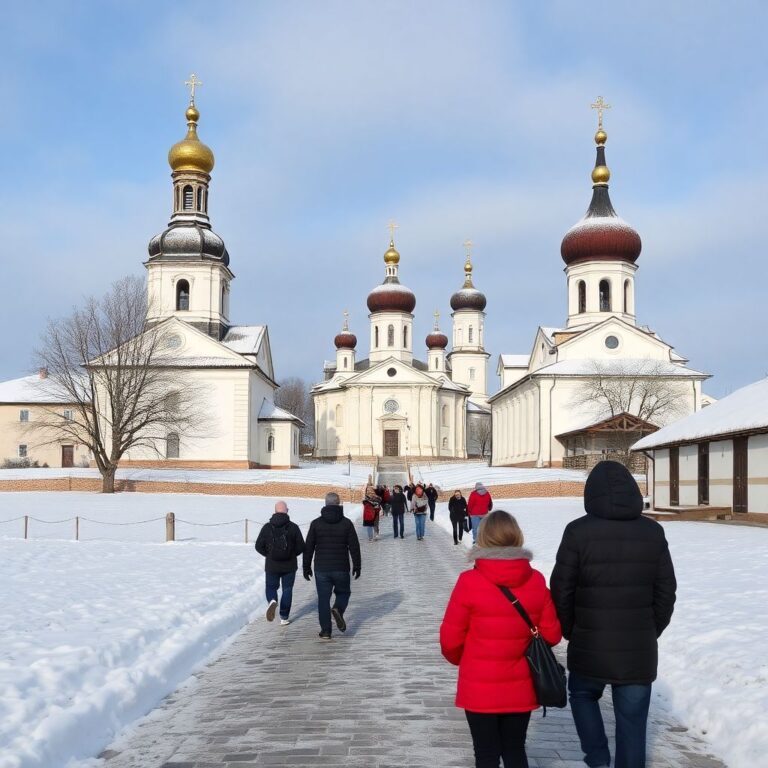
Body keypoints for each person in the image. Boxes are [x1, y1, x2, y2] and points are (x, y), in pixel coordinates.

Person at [551, 461, 677, 768]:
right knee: (633, 722)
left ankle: (597, 758)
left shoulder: (578, 532)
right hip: (637, 648)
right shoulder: (653, 532)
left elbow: (561, 589)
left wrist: (572, 630)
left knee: (582, 696)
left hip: (589, 643)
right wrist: (650, 629)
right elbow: (666, 591)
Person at [441, 510, 562, 768]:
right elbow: (552, 635)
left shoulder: (469, 582)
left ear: (483, 538)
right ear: (516, 536)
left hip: (479, 686)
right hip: (520, 686)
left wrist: (466, 660)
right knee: (515, 750)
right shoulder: (536, 580)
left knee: (485, 754)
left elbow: (450, 640)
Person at [303, 491, 362, 640]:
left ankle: (326, 631)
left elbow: (309, 547)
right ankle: (338, 609)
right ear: (339, 503)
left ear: (325, 503)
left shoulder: (316, 523)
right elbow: (354, 546)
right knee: (343, 593)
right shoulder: (346, 523)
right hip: (341, 567)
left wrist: (306, 567)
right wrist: (357, 565)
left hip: (321, 568)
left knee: (323, 599)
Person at [254, 500, 305, 626]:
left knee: (271, 587)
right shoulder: (293, 527)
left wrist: (269, 555)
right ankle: (284, 616)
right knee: (287, 589)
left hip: (272, 565)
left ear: (275, 511)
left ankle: (272, 600)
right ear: (286, 511)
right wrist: (292, 555)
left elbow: (258, 546)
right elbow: (301, 546)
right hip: (289, 565)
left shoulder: (267, 527)